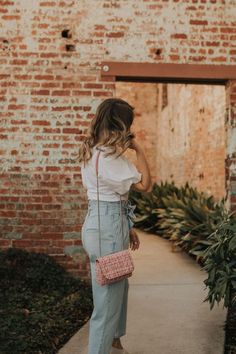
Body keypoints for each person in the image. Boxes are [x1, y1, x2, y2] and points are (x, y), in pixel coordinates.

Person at [78, 98, 151, 354]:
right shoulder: (111, 157)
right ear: (121, 125)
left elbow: (106, 194)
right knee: (107, 300)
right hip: (108, 226)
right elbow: (145, 185)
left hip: (98, 222)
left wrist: (126, 225)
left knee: (118, 283)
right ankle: (102, 347)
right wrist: (139, 150)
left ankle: (115, 340)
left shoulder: (91, 150)